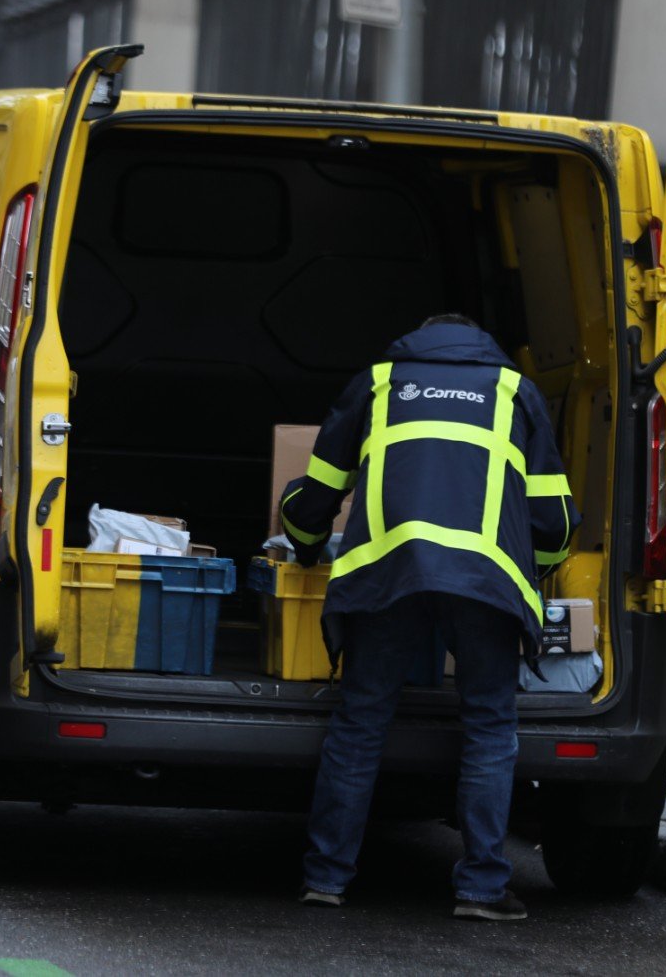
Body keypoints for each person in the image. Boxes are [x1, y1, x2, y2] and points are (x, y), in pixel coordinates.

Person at [279, 312, 578, 922]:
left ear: (418, 339)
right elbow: (554, 521)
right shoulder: (514, 390)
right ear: (482, 343)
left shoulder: (380, 381)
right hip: (485, 581)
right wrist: (539, 568)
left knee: (361, 722)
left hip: (389, 573)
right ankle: (481, 890)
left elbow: (316, 495)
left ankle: (326, 879)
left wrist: (303, 542)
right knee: (490, 727)